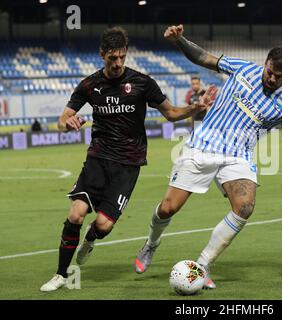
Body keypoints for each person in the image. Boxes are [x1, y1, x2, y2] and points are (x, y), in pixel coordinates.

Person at [40, 26, 212, 292]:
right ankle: (61, 274)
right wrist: (68, 124)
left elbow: (171, 112)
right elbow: (61, 121)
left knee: (103, 225)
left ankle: (90, 239)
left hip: (128, 165)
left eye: (121, 57)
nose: (118, 63)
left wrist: (194, 108)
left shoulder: (143, 83)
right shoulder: (89, 85)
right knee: (76, 213)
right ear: (102, 55)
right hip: (98, 158)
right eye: (112, 58)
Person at [135, 24, 282, 289]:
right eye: (270, 72)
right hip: (202, 146)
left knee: (245, 207)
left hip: (238, 156)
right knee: (169, 207)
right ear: (265, 64)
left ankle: (201, 266)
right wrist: (180, 41)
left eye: (279, 77)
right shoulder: (243, 68)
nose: (272, 79)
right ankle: (151, 243)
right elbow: (203, 57)